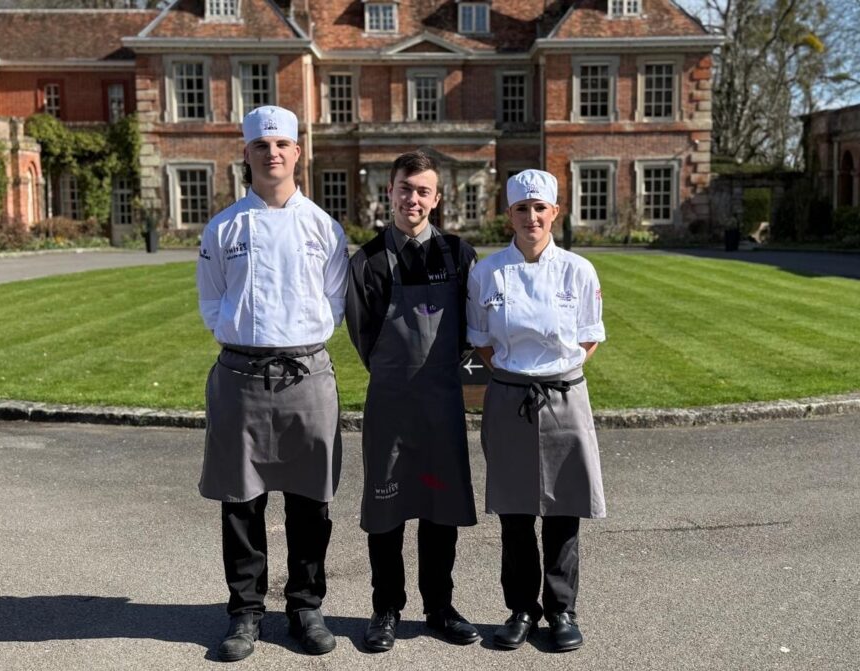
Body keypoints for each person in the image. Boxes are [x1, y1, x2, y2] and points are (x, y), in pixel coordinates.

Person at [195, 105, 348, 662]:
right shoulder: (226, 226)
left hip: (307, 374)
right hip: (241, 374)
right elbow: (211, 299)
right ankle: (244, 611)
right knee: (241, 502)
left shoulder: (324, 228)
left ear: (298, 152)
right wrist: (237, 335)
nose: (273, 154)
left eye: (282, 144)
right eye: (262, 146)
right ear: (247, 154)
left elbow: (334, 299)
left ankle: (306, 605)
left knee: (312, 499)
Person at [465, 169, 606, 653]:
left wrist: (556, 374)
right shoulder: (486, 273)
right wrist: (517, 376)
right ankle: (522, 608)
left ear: (554, 213)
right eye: (522, 209)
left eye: (539, 208)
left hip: (565, 397)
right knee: (516, 511)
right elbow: (482, 342)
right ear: (509, 215)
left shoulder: (578, 271)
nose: (531, 217)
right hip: (509, 398)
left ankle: (562, 609)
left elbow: (588, 337)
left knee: (564, 509)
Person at [345, 151, 480, 652]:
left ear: (437, 198)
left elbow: (470, 331)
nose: (413, 199)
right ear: (390, 191)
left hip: (443, 403)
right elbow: (364, 336)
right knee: (387, 507)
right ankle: (386, 608)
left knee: (440, 506)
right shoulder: (368, 261)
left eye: (424, 191)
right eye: (406, 188)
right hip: (391, 402)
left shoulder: (460, 257)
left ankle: (439, 605)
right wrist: (399, 373)